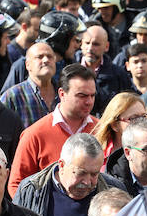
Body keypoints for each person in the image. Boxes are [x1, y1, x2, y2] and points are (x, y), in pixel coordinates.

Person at [13, 133, 125, 216]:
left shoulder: (113, 190)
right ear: (62, 165)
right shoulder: (32, 190)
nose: (87, 182)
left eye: (94, 174)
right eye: (81, 173)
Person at [8, 64, 98, 196]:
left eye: (92, 95)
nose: (89, 101)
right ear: (62, 94)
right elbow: (17, 184)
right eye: (82, 95)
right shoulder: (35, 134)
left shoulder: (101, 130)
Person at [0, 42, 59, 129]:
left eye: (50, 56)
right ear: (28, 65)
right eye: (39, 57)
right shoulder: (12, 96)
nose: (46, 60)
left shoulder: (65, 93)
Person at [93, 92, 147, 161]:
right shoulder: (96, 156)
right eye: (134, 118)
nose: (142, 122)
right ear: (115, 125)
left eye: (143, 117)